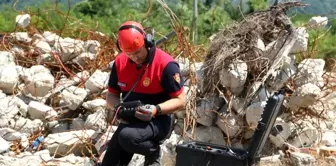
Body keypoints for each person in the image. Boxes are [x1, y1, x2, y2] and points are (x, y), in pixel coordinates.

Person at [101, 21, 186, 166]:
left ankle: (153, 152)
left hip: (158, 120)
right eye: (129, 54)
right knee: (109, 161)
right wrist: (118, 107)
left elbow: (181, 100)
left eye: (137, 52)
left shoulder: (166, 65)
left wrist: (155, 109)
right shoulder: (120, 62)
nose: (134, 57)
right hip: (131, 119)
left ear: (147, 42)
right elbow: (111, 95)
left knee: (126, 137)